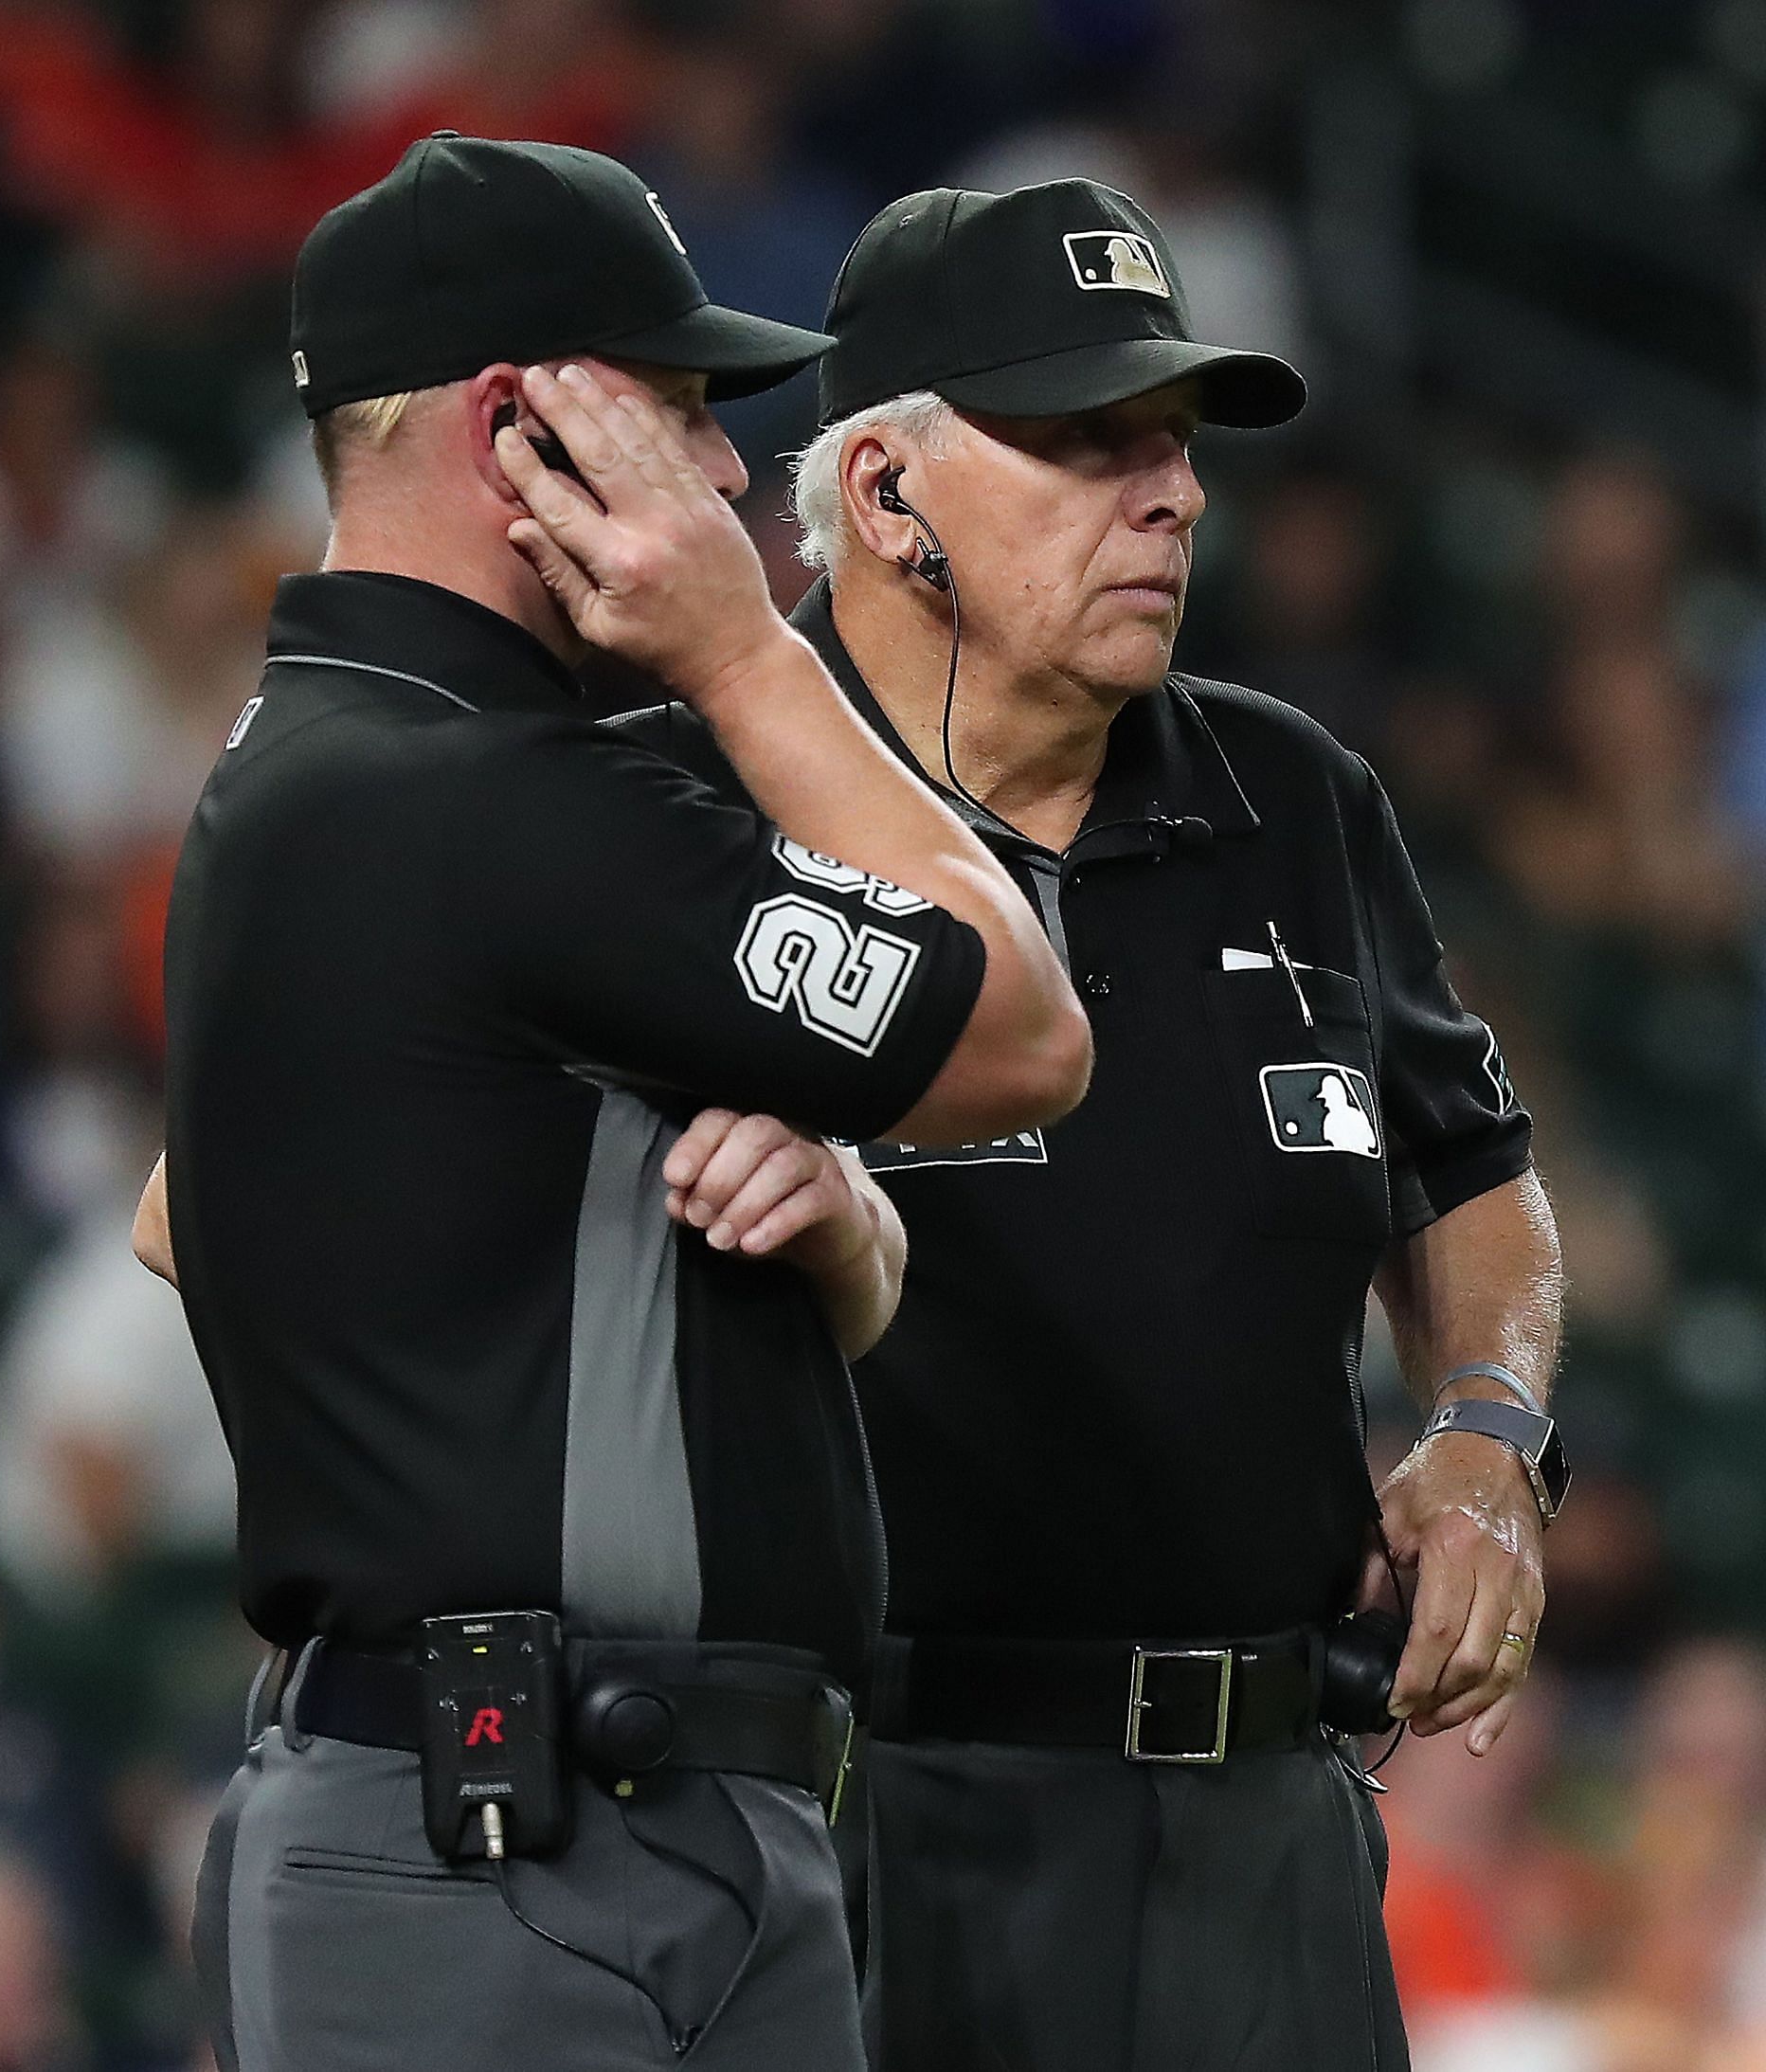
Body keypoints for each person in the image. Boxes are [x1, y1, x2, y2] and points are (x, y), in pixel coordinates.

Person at [147, 137, 1089, 2072]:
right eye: (676, 417)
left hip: (629, 1825)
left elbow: (204, 1207)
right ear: (522, 435)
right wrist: (746, 648)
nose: (733, 477)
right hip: (497, 1856)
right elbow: (1023, 1029)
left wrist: (845, 1216)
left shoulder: (360, 768)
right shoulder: (472, 800)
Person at [613, 179, 1566, 2072]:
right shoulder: (683, 811)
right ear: (882, 493)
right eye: (1083, 441)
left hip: (1271, 1823)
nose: (1173, 493)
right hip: (870, 1810)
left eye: (1178, 444)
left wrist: (1485, 1428)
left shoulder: (1289, 791)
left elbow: (1472, 1173)